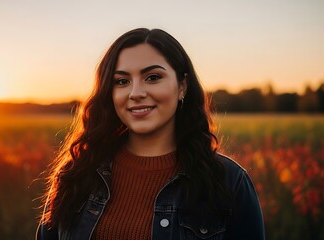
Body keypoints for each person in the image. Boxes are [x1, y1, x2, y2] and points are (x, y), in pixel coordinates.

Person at [37, 28, 265, 240]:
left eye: (153, 77)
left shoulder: (230, 182)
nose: (135, 93)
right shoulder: (78, 173)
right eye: (122, 81)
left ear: (182, 86)